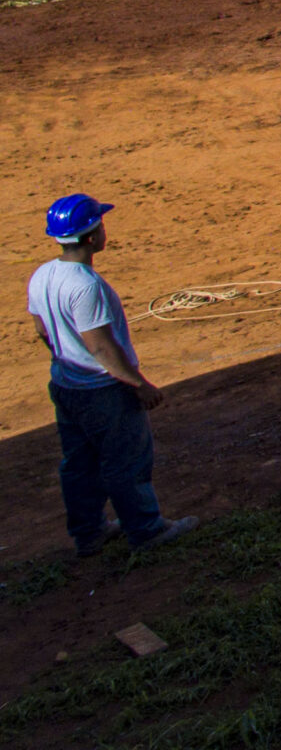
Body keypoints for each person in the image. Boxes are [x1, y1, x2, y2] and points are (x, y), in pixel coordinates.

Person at [27, 194, 198, 557]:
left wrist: (66, 362)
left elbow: (42, 331)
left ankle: (88, 533)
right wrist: (138, 384)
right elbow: (102, 348)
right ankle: (146, 531)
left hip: (65, 385)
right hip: (103, 391)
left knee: (79, 465)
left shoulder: (41, 275)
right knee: (126, 463)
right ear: (91, 237)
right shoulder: (87, 286)